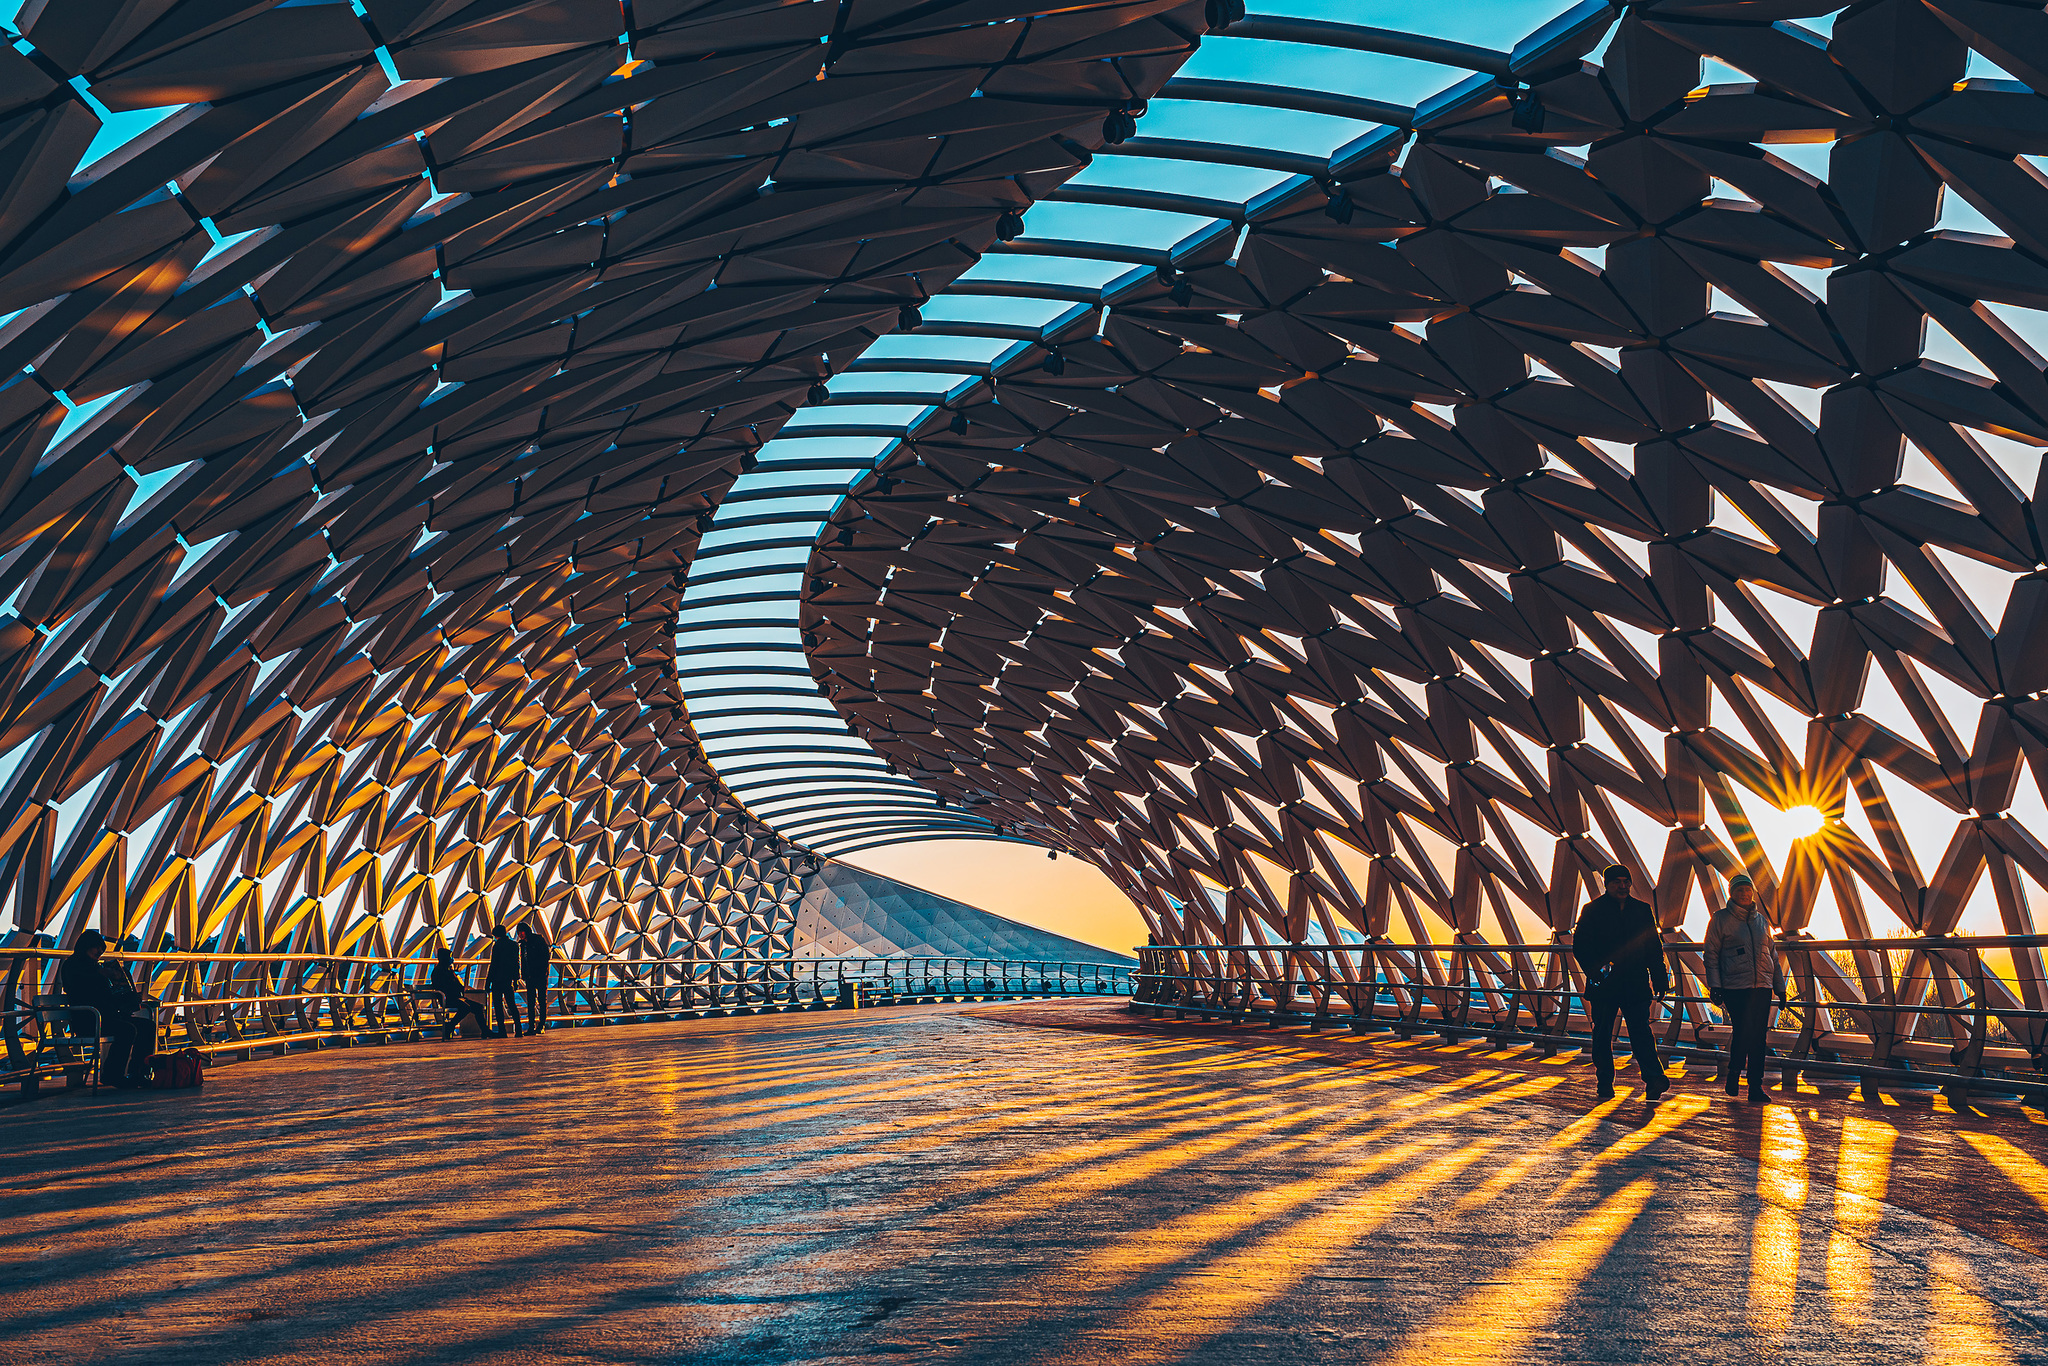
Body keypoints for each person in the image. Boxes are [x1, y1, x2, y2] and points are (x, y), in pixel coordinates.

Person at [1571, 864, 1671, 1102]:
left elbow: (1653, 948)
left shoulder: (1642, 910)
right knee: (1603, 1034)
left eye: (1626, 881)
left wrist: (1659, 978)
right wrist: (1596, 972)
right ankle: (1605, 1082)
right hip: (1605, 983)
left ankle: (1654, 1078)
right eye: (1617, 882)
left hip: (1634, 982)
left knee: (1641, 1033)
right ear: (1606, 884)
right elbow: (1581, 946)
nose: (1623, 886)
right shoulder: (1593, 910)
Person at [1703, 872, 1783, 1103]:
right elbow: (1711, 954)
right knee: (1744, 1031)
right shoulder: (1720, 919)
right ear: (1732, 894)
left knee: (1758, 1037)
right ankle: (1735, 1073)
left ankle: (1754, 1086)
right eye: (1740, 890)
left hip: (1762, 987)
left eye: (1748, 890)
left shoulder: (1762, 922)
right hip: (1735, 986)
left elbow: (1773, 956)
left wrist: (1780, 987)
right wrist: (1715, 986)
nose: (1745, 894)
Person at [58, 930, 149, 1088]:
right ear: (86, 946)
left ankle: (139, 1072)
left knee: (147, 1026)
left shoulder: (96, 968)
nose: (100, 952)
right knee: (127, 1030)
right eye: (97, 948)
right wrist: (101, 975)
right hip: (88, 1020)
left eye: (102, 949)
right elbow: (82, 991)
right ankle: (113, 1075)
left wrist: (129, 999)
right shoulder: (73, 966)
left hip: (105, 1017)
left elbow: (106, 997)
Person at [429, 947, 488, 1039]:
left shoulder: (445, 970)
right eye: (450, 957)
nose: (452, 960)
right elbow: (445, 987)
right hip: (449, 999)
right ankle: (451, 1026)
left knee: (478, 1007)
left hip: (455, 998)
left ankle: (484, 1030)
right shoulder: (440, 972)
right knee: (466, 1007)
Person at [487, 924, 521, 1038]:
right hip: (508, 979)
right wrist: (516, 979)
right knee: (512, 1004)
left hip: (497, 979)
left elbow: (493, 964)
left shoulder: (497, 946)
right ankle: (519, 1030)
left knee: (498, 1005)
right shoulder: (514, 945)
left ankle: (502, 1031)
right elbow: (516, 964)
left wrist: (488, 981)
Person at [518, 923, 552, 1035]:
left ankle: (541, 1025)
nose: (520, 934)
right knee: (531, 1002)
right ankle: (531, 1026)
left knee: (542, 1001)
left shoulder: (538, 940)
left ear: (527, 931)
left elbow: (545, 956)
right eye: (518, 932)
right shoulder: (522, 944)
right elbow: (523, 960)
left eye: (522, 932)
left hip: (540, 975)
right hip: (529, 976)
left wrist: (542, 969)